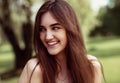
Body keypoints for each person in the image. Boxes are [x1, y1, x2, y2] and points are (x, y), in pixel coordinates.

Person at [18, 0, 102, 83]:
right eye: (42, 29)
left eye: (55, 28)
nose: (48, 37)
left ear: (70, 29)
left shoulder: (92, 67)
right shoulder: (34, 69)